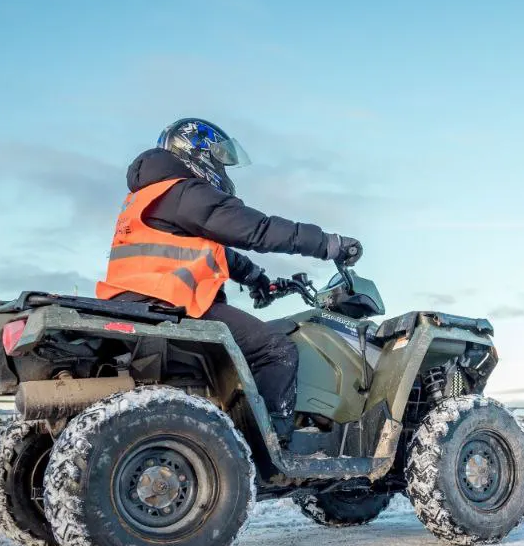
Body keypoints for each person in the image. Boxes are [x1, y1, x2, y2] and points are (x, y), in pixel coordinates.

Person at [97, 118, 362, 447]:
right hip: (169, 303)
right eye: (219, 156)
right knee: (276, 350)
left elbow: (215, 252)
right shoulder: (185, 191)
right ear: (196, 150)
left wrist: (257, 280)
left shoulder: (153, 194)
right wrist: (330, 244)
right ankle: (269, 446)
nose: (223, 166)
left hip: (135, 300)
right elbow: (258, 230)